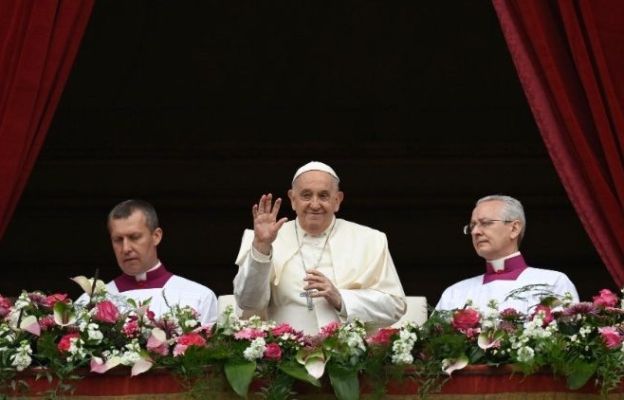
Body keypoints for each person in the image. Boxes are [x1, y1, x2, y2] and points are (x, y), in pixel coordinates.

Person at [233, 161, 406, 334]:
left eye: (323, 196)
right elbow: (248, 303)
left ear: (337, 200)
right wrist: (262, 247)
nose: (315, 204)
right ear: (293, 199)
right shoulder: (264, 238)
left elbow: (394, 306)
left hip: (348, 355)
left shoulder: (370, 240)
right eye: (306, 195)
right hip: (282, 353)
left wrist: (341, 299)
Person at [80, 199, 218, 325]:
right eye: (118, 239)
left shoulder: (199, 296)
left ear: (156, 236)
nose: (126, 248)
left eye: (134, 237)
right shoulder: (88, 303)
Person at [436, 195, 579, 313]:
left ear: (514, 229)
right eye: (472, 226)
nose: (475, 232)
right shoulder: (455, 293)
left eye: (485, 223)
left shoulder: (553, 283)